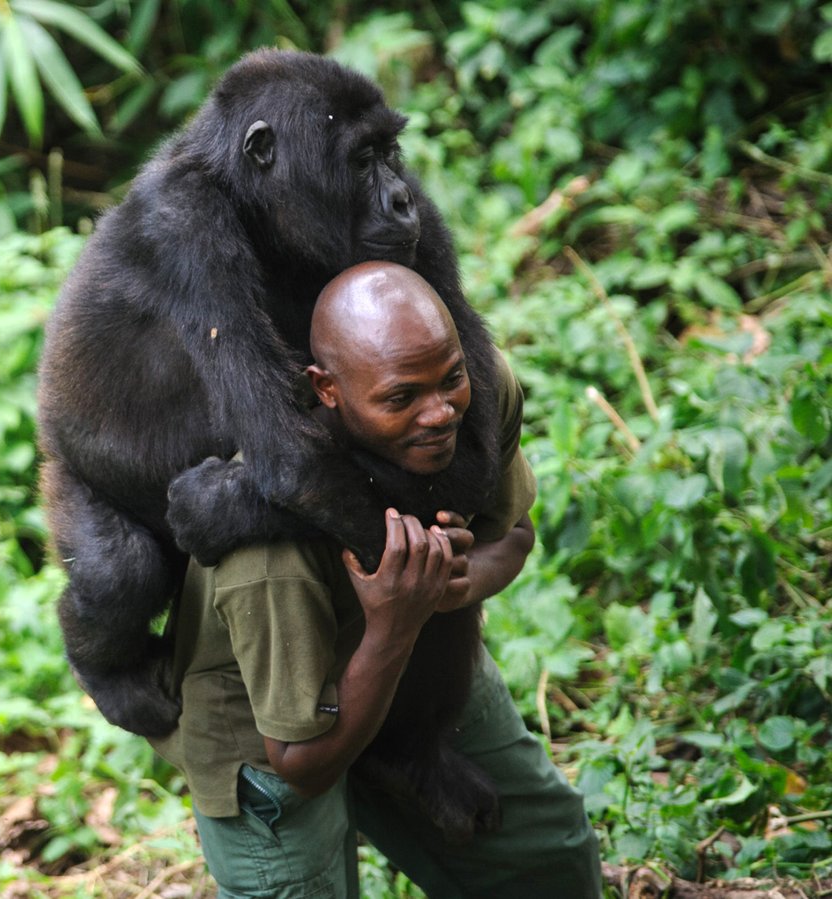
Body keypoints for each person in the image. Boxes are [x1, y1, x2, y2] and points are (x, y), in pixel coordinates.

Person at [149, 262, 601, 897]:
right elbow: (301, 764)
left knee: (546, 857)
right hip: (271, 721)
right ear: (326, 390)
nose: (439, 413)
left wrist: (450, 583)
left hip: (412, 654)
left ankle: (400, 760)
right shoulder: (263, 550)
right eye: (401, 398)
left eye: (451, 380)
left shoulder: (475, 393)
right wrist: (396, 623)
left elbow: (513, 534)